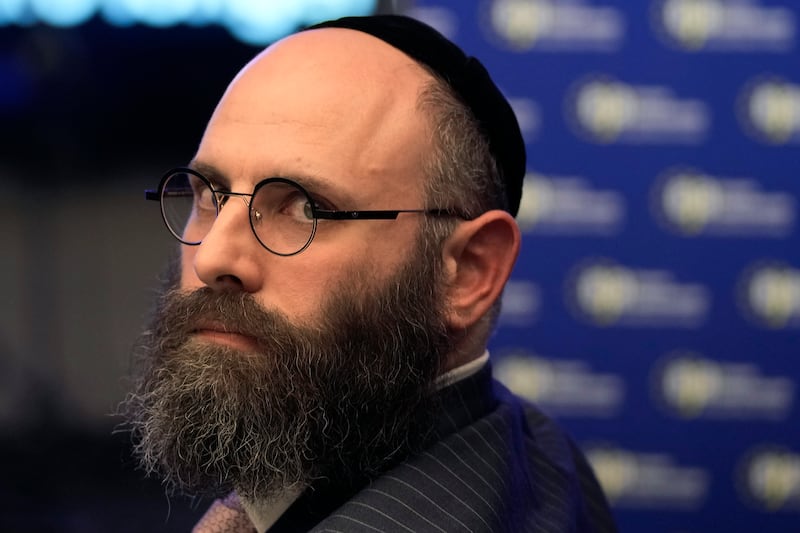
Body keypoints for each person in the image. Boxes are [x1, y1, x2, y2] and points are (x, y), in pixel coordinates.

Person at [122, 14, 616, 533]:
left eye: (306, 208)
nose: (213, 257)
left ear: (470, 271)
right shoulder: (535, 446)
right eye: (209, 195)